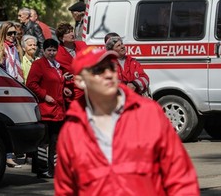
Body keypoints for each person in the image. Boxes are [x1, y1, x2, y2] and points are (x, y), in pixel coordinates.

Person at [54, 47, 200, 195]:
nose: (108, 74)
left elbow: (180, 175)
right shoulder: (72, 130)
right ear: (80, 81)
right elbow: (65, 189)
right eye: (98, 71)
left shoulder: (148, 113)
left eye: (111, 67)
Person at [26, 39, 72, 178]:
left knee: (55, 141)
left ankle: (54, 169)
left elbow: (54, 82)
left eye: (54, 50)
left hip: (57, 109)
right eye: (49, 50)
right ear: (44, 51)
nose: (52, 53)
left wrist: (63, 87)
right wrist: (44, 96)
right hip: (46, 109)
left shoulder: (57, 66)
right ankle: (41, 169)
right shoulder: (38, 64)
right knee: (44, 142)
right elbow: (31, 84)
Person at [0, 21, 24, 168]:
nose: (13, 36)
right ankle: (7, 156)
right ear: (3, 34)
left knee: (12, 122)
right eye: (10, 33)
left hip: (14, 89)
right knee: (3, 123)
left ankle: (10, 154)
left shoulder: (16, 49)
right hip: (0, 91)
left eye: (15, 33)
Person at [55, 22, 87, 109]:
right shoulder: (57, 54)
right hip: (73, 91)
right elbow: (56, 75)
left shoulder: (82, 45)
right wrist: (64, 86)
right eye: (68, 32)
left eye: (72, 31)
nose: (72, 34)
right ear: (61, 38)